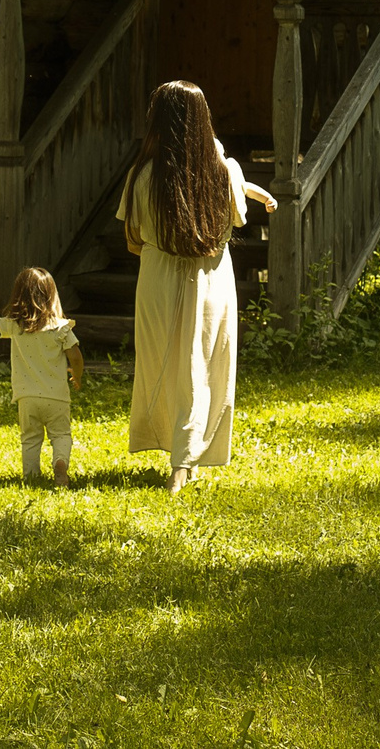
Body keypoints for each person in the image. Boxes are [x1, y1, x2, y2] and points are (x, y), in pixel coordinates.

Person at [116, 80, 277, 492]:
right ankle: (183, 463)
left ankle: (177, 455)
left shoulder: (142, 175)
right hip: (210, 276)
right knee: (202, 367)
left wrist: (162, 248)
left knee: (164, 365)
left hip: (156, 276)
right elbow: (239, 217)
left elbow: (133, 241)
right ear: (203, 122)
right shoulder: (223, 172)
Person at [0, 267, 85, 487]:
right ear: (52, 295)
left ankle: (31, 477)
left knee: (30, 438)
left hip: (26, 397)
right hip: (56, 397)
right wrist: (77, 375)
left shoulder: (16, 325)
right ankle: (60, 463)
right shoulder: (61, 328)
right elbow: (76, 356)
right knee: (61, 434)